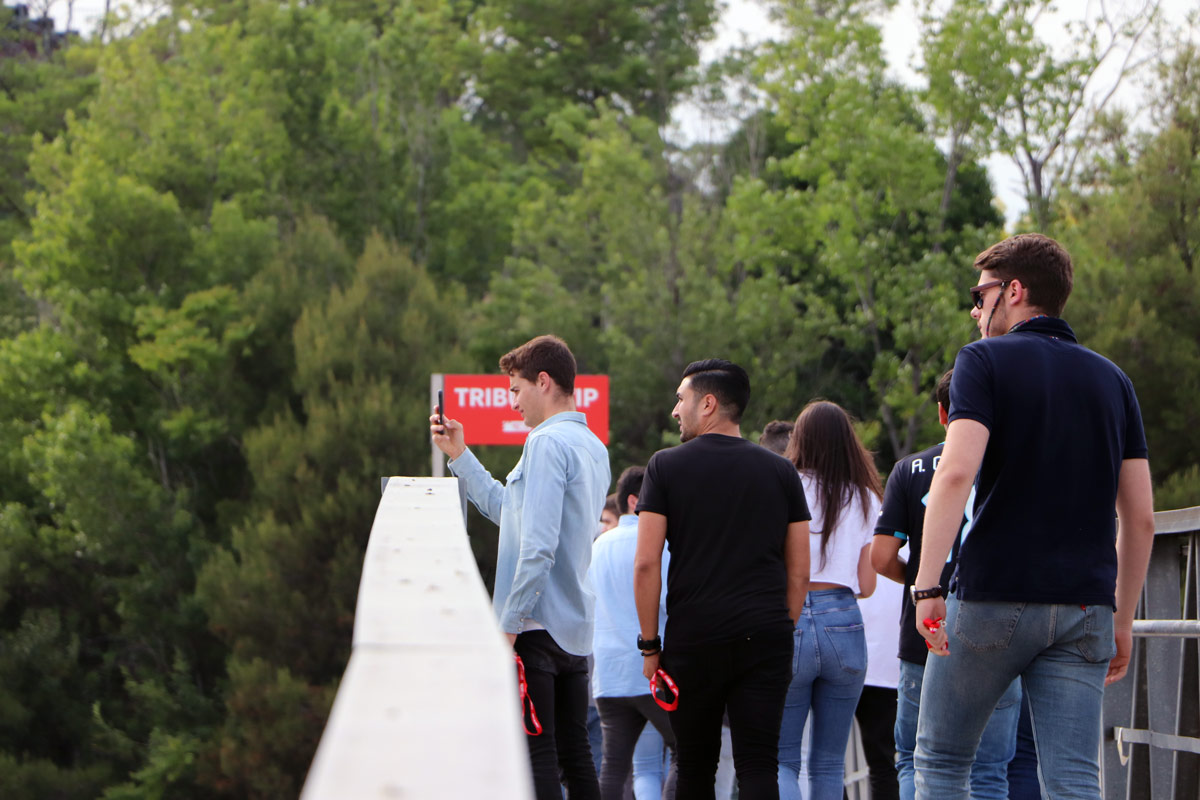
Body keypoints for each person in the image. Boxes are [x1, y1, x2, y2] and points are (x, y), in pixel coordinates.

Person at [911, 233, 1156, 798]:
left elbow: (954, 474)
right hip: (1085, 606)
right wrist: (1121, 620)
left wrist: (927, 588)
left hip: (995, 596)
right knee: (1073, 778)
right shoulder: (1113, 380)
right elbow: (1140, 517)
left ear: (1014, 291)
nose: (976, 309)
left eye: (981, 293)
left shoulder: (981, 361)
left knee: (944, 762)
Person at [430, 334, 611, 800]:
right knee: (577, 755)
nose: (512, 403)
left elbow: (538, 547)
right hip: (575, 627)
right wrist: (460, 456)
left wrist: (507, 626)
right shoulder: (594, 446)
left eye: (515, 389)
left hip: (535, 625)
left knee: (540, 757)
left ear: (543, 382)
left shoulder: (545, 443)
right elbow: (510, 511)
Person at [634, 358, 811, 800]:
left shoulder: (664, 468)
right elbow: (801, 569)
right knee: (759, 764)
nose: (675, 410)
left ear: (708, 403)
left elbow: (645, 564)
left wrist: (650, 646)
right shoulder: (781, 472)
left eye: (681, 399)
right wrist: (781, 625)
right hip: (766, 634)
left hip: (696, 636)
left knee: (694, 765)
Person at [871, 370, 1021, 800]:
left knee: (915, 759)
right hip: (997, 628)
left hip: (927, 631)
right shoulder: (1012, 467)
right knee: (990, 770)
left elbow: (880, 557)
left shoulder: (909, 469)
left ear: (941, 414)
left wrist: (920, 582)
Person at [776, 401, 880, 800]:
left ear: (799, 438)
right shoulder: (866, 497)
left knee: (783, 759)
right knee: (829, 762)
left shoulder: (785, 485)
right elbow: (867, 585)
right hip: (845, 620)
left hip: (792, 615)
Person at [590, 466, 677, 800]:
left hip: (609, 675)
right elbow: (672, 601)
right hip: (653, 670)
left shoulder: (598, 547)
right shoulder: (660, 545)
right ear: (634, 500)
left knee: (613, 767)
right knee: (688, 750)